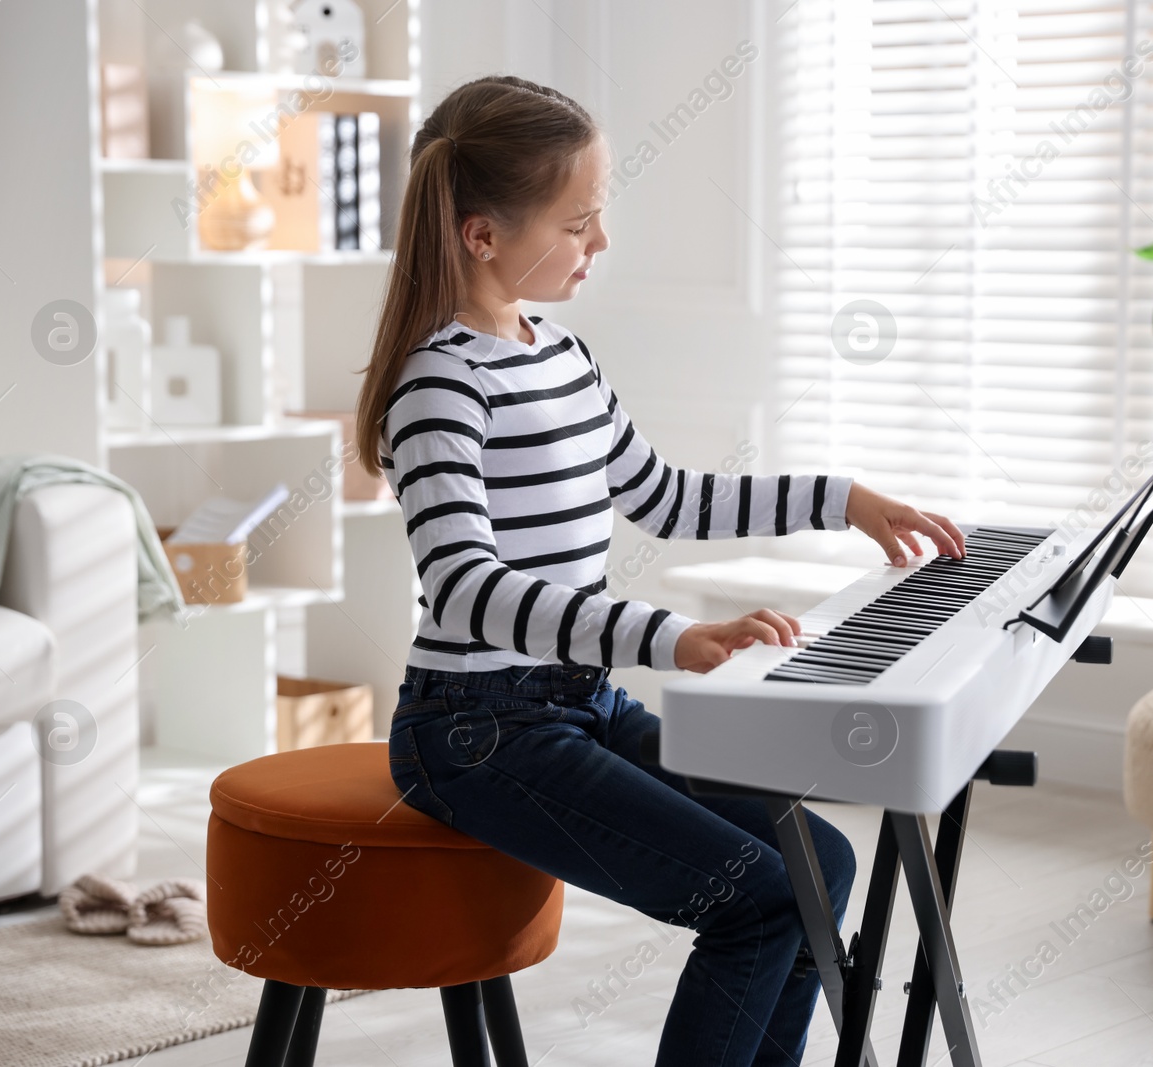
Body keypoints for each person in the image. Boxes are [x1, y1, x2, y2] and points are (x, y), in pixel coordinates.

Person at [353, 74, 966, 1067]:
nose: (600, 244)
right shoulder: (440, 383)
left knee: (821, 862)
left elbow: (669, 498)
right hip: (473, 732)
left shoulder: (560, 353)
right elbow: (465, 586)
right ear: (481, 235)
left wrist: (843, 499)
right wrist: (668, 635)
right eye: (580, 221)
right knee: (759, 900)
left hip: (575, 705)